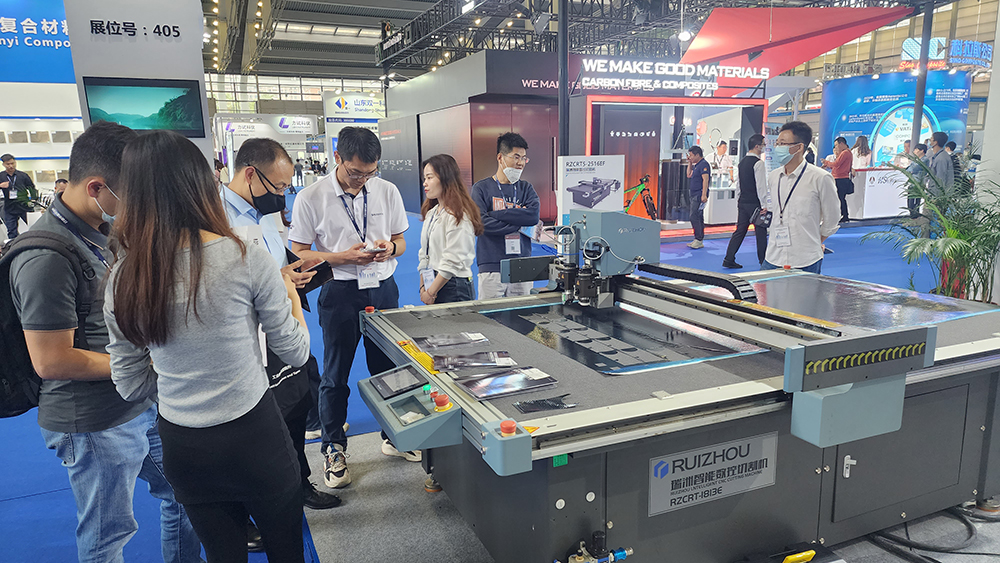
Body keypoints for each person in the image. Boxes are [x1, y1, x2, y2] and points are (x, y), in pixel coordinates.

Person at [105, 130, 311, 563]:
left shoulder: (123, 277)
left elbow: (129, 384)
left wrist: (182, 377)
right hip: (256, 435)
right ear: (200, 184)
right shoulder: (244, 255)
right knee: (286, 550)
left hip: (184, 446)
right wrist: (291, 298)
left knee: (221, 555)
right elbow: (295, 352)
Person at [8, 121, 201, 563]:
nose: (141, 205)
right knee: (108, 534)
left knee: (185, 494)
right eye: (134, 194)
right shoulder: (46, 256)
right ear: (97, 187)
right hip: (92, 421)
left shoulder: (100, 231)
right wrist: (144, 365)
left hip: (136, 402)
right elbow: (51, 360)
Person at [289, 126, 415, 490]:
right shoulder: (311, 197)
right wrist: (342, 257)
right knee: (336, 373)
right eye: (356, 172)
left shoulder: (386, 191)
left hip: (384, 289)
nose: (362, 180)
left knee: (389, 368)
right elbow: (298, 252)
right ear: (337, 159)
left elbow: (401, 241)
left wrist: (389, 249)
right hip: (339, 291)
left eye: (370, 173)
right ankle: (333, 448)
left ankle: (394, 436)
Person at [222, 137, 341, 516]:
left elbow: (272, 265)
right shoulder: (215, 217)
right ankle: (252, 504)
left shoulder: (262, 215)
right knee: (252, 425)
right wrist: (278, 279)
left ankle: (298, 483)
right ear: (250, 175)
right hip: (245, 341)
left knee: (295, 407)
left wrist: (291, 274)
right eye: (277, 187)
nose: (281, 196)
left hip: (283, 326)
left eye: (286, 187)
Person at [762, 121, 840, 274]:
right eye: (777, 143)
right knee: (765, 290)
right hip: (773, 256)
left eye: (783, 144)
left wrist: (816, 240)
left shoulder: (820, 178)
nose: (778, 148)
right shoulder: (774, 176)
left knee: (805, 291)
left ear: (799, 147)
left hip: (805, 259)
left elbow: (832, 217)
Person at [470, 132, 540, 299]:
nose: (520, 163)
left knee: (523, 313)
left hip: (522, 264)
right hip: (492, 265)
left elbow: (532, 217)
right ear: (500, 157)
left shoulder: (526, 188)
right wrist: (519, 222)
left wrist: (495, 215)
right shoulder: (481, 189)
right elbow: (481, 223)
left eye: (524, 158)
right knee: (491, 314)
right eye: (516, 157)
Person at [418, 154, 484, 305]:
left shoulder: (459, 215)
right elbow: (424, 253)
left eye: (429, 178)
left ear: (445, 178)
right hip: (434, 281)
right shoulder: (432, 212)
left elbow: (453, 260)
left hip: (454, 286)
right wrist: (423, 287)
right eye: (424, 178)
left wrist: (431, 292)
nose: (425, 183)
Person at [722, 134, 768, 269]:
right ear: (757, 146)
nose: (764, 147)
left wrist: (739, 199)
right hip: (755, 203)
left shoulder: (742, 163)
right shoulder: (758, 163)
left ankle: (729, 258)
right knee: (761, 233)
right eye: (763, 144)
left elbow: (738, 184)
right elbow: (761, 186)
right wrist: (764, 205)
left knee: (740, 231)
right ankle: (763, 261)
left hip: (743, 202)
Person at [2, 153, 37, 240]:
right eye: (8, 164)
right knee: (11, 230)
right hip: (9, 206)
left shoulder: (23, 175)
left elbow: (32, 187)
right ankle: (14, 245)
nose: (11, 166)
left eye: (12, 163)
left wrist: (33, 200)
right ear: (3, 164)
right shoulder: (1, 176)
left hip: (24, 205)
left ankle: (35, 242)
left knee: (33, 226)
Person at [822, 137, 853, 222]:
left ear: (841, 144)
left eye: (836, 145)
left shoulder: (845, 153)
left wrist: (826, 162)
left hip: (841, 178)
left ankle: (844, 215)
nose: (836, 147)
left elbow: (836, 164)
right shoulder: (847, 153)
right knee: (839, 198)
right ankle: (843, 215)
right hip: (840, 178)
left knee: (840, 198)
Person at [686, 145, 711, 249]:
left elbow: (705, 180)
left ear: (697, 155)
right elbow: (688, 175)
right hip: (693, 193)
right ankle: (698, 239)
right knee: (697, 216)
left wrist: (704, 194)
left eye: (691, 155)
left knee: (694, 216)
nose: (690, 157)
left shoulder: (704, 165)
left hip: (699, 194)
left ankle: (699, 239)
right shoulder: (696, 165)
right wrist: (690, 162)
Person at [906, 143, 930, 217]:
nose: (914, 151)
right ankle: (912, 214)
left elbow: (914, 168)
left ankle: (915, 215)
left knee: (916, 200)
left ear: (922, 150)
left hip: (919, 182)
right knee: (910, 199)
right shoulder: (916, 159)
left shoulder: (925, 160)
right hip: (913, 182)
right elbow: (908, 169)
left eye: (916, 149)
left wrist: (911, 169)